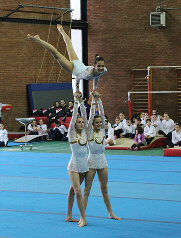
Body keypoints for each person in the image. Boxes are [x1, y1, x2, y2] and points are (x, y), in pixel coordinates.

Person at [27, 25, 107, 93]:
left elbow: (97, 76)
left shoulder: (104, 70)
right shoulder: (88, 74)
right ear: (94, 66)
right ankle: (38, 40)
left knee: (69, 45)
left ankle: (62, 31)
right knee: (57, 55)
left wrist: (95, 89)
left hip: (79, 63)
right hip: (74, 69)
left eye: (102, 66)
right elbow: (78, 78)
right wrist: (77, 90)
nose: (101, 68)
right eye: (99, 66)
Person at [83, 91, 121, 220]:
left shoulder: (103, 130)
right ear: (92, 124)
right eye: (97, 122)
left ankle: (110, 213)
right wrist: (93, 100)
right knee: (87, 190)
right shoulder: (89, 132)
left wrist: (99, 100)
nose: (99, 124)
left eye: (101, 122)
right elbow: (91, 115)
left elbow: (103, 114)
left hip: (102, 161)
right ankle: (83, 216)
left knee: (104, 189)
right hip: (92, 162)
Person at [66, 92, 88, 227]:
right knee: (78, 192)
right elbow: (75, 117)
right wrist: (75, 102)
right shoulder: (71, 134)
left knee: (71, 191)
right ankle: (83, 218)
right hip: (74, 165)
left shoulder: (85, 133)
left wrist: (81, 102)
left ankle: (68, 216)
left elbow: (84, 115)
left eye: (82, 122)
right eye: (78, 122)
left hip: (83, 165)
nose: (80, 123)